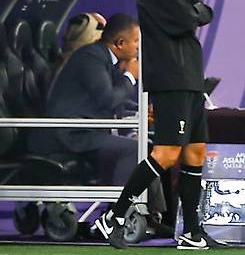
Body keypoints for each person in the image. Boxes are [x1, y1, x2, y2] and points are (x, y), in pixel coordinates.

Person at [95, 0, 219, 250]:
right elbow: (185, 18)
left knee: (196, 153)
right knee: (165, 154)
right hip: (172, 77)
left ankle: (192, 232)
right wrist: (195, 13)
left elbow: (202, 11)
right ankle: (114, 217)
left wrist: (195, 13)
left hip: (190, 76)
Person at [28, 14, 164, 191]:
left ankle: (155, 213)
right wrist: (130, 76)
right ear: (120, 43)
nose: (139, 47)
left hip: (88, 131)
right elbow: (107, 100)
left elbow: (117, 102)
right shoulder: (90, 57)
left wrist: (142, 111)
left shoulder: (107, 59)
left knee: (154, 148)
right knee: (135, 150)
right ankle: (120, 210)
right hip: (70, 135)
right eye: (136, 41)